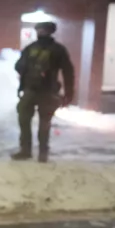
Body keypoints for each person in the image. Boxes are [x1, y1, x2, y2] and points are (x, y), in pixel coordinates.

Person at [14, 21, 75, 163]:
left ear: (50, 31)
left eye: (43, 30)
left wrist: (69, 92)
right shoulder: (32, 48)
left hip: (47, 91)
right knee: (24, 119)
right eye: (39, 30)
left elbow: (68, 72)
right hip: (32, 89)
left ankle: (41, 152)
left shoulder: (56, 50)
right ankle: (27, 150)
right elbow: (19, 66)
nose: (41, 32)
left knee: (44, 123)